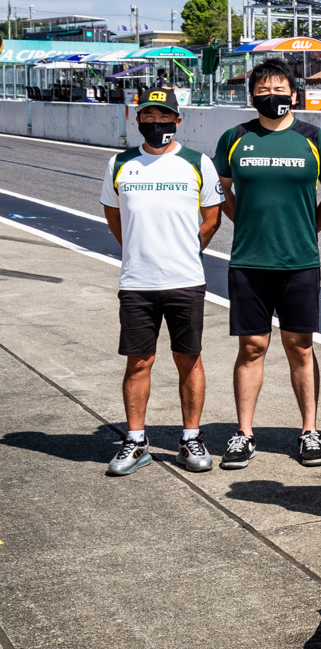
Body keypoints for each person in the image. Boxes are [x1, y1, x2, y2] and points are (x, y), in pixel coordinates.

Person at [213, 58, 321, 469]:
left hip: (300, 261)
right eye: (263, 90)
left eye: (279, 89)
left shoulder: (315, 139)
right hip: (248, 261)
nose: (272, 96)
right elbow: (222, 193)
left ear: (295, 94)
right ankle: (244, 434)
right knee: (252, 347)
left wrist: (306, 229)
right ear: (251, 96)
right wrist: (245, 223)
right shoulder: (235, 137)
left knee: (300, 348)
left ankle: (310, 431)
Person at [100, 88, 224, 475]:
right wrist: (141, 251)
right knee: (139, 362)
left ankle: (190, 438)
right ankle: (136, 441)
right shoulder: (119, 163)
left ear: (178, 120)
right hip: (137, 281)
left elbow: (211, 218)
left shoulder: (196, 162)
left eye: (165, 117)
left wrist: (184, 252)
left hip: (185, 279)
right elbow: (114, 216)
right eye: (149, 118)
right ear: (137, 121)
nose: (157, 124)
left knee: (189, 360)